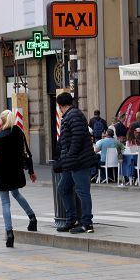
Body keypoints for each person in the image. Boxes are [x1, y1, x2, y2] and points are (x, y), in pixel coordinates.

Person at [0, 110, 37, 248]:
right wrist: (31, 171)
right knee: (16, 193)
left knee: (5, 203)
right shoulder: (18, 132)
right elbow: (27, 152)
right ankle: (32, 217)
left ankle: (9, 232)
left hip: (1, 172)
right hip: (15, 171)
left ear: (1, 121)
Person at [53, 92, 97, 234]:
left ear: (59, 106)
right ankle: (71, 219)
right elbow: (64, 140)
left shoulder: (74, 115)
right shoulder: (70, 116)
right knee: (63, 188)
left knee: (83, 192)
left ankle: (87, 223)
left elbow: (77, 138)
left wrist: (70, 155)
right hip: (71, 162)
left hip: (79, 161)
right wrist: (59, 155)